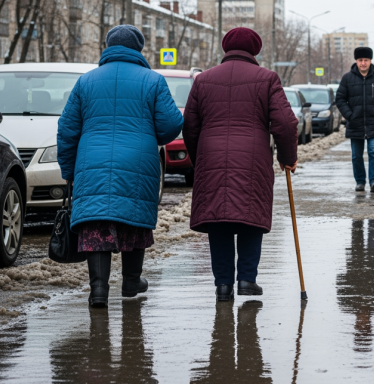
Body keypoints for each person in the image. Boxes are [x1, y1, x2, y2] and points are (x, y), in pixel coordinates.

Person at [57, 25, 183, 308]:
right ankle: (130, 282)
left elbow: (67, 130)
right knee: (133, 218)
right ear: (138, 49)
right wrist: (150, 136)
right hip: (138, 160)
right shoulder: (153, 80)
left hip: (93, 164)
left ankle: (98, 290)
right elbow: (173, 123)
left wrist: (68, 170)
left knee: (96, 222)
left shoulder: (86, 81)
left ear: (107, 46)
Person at [183, 27, 298, 302]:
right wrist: (287, 157)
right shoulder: (267, 78)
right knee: (250, 215)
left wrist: (201, 159)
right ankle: (247, 278)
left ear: (226, 49)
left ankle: (223, 285)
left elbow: (189, 126)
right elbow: (285, 123)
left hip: (211, 156)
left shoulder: (203, 80)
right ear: (255, 50)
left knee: (218, 219)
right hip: (253, 157)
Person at [335, 47, 374, 193]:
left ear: (370, 61)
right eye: (360, 60)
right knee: (356, 155)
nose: (363, 63)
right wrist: (349, 115)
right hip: (355, 123)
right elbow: (340, 99)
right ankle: (360, 182)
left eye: (366, 60)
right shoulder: (347, 78)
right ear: (356, 61)